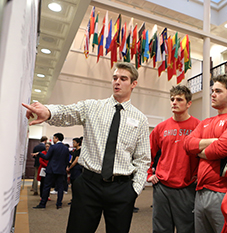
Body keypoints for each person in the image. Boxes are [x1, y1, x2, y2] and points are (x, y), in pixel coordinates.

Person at [22, 62, 151, 233]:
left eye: (123, 79)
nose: (117, 82)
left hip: (121, 189)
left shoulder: (140, 119)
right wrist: (48, 112)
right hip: (89, 185)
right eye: (114, 78)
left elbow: (143, 159)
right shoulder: (93, 107)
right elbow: (67, 112)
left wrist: (134, 190)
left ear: (133, 83)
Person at [183, 74, 227, 233]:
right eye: (213, 90)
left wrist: (199, 150)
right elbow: (186, 144)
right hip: (200, 192)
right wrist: (213, 141)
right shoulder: (206, 122)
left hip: (223, 192)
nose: (212, 94)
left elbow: (222, 148)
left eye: (218, 91)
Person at [147, 85, 200, 233]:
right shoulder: (161, 127)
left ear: (189, 103)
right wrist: (149, 174)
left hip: (187, 187)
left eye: (179, 99)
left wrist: (200, 174)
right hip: (162, 186)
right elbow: (147, 152)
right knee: (161, 229)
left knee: (187, 229)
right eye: (172, 99)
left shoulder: (199, 126)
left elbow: (205, 154)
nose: (174, 102)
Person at [32, 133, 70, 209]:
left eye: (54, 138)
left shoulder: (53, 147)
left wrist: (39, 154)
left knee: (47, 187)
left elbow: (47, 157)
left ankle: (43, 204)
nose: (53, 139)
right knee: (60, 188)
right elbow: (66, 160)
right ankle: (59, 204)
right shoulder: (66, 148)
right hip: (61, 171)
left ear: (57, 138)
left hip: (51, 170)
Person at [66, 137, 82, 204]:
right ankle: (73, 199)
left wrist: (70, 167)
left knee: (76, 185)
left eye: (74, 142)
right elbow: (71, 160)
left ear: (78, 143)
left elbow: (76, 161)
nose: (73, 143)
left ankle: (77, 200)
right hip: (73, 169)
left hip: (77, 169)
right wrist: (68, 166)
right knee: (73, 185)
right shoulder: (74, 150)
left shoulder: (80, 150)